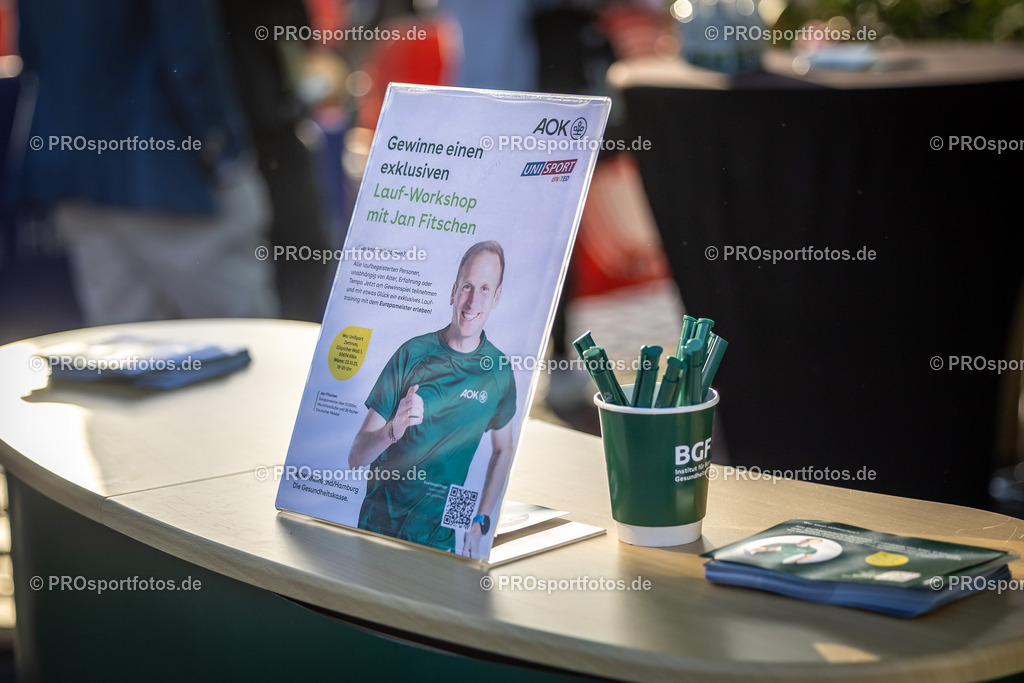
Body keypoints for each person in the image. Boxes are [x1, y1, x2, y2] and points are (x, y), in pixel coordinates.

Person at [348, 241, 516, 559]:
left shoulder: (498, 371)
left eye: (484, 288)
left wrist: (480, 518)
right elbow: (356, 457)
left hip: (439, 539)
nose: (472, 301)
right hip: (378, 528)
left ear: (496, 298)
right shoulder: (412, 353)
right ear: (453, 291)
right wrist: (392, 430)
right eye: (467, 286)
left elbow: (503, 448)